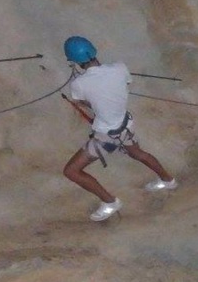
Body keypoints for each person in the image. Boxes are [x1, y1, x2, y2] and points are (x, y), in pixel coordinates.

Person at [61, 36, 177, 222]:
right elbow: (124, 84)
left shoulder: (78, 84)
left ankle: (110, 202)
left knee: (71, 171)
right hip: (125, 126)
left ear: (74, 61)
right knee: (138, 153)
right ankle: (168, 180)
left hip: (106, 136)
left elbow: (83, 101)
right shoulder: (120, 68)